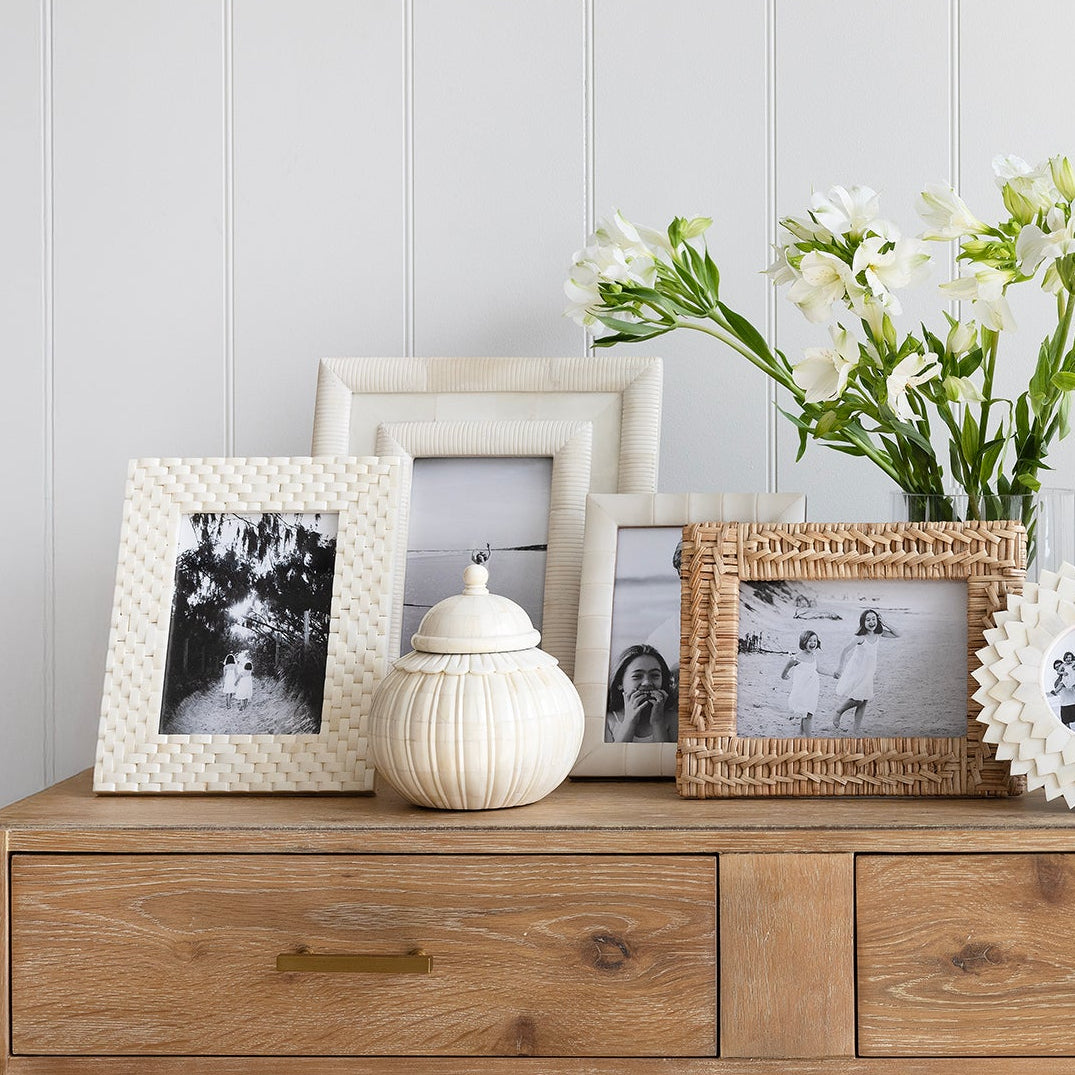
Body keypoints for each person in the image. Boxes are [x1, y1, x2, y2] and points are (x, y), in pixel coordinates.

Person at [831, 608, 899, 735]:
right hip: (857, 670)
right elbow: (845, 651)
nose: (871, 622)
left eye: (874, 619)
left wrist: (884, 622)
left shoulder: (879, 634)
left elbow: (898, 634)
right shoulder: (860, 637)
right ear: (863, 623)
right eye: (868, 620)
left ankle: (856, 730)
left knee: (864, 700)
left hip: (869, 671)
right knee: (858, 699)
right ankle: (839, 711)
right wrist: (840, 668)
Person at [605, 644, 676, 744]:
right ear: (619, 683)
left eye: (654, 675)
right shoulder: (608, 721)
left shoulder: (672, 719)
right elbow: (613, 758)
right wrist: (630, 721)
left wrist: (657, 722)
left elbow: (666, 758)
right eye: (637, 676)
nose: (647, 682)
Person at [781, 630, 823, 736]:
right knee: (808, 714)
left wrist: (833, 674)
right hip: (802, 689)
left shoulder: (813, 655)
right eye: (809, 641)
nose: (813, 643)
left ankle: (801, 732)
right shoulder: (797, 658)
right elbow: (787, 666)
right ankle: (809, 739)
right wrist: (783, 675)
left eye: (815, 641)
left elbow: (818, 669)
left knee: (807, 711)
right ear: (803, 642)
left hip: (812, 687)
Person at [1050, 656, 1075, 728]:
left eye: (1059, 666)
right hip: (1064, 705)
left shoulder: (1072, 674)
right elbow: (1058, 687)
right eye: (1056, 667)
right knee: (1066, 725)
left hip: (1074, 702)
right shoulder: (1056, 680)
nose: (1058, 668)